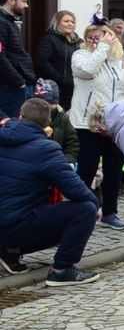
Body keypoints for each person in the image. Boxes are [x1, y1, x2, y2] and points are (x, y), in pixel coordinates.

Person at [0, 98, 100, 285]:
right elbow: (74, 189)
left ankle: (7, 252)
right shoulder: (46, 149)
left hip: (6, 221)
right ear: (48, 125)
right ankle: (62, 270)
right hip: (15, 226)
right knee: (85, 209)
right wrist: (96, 206)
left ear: (20, 116)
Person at [70, 23, 124, 230]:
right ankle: (81, 211)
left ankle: (110, 212)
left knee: (113, 170)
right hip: (88, 123)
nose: (99, 41)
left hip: (116, 125)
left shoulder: (118, 62)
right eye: (94, 37)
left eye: (104, 37)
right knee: (87, 169)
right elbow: (87, 71)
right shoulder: (80, 56)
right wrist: (101, 48)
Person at [0, 0, 36, 117]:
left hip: (17, 87)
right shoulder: (2, 23)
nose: (26, 6)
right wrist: (18, 82)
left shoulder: (9, 23)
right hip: (10, 89)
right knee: (12, 128)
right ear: (11, 1)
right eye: (24, 1)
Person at [34, 10, 81, 110]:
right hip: (55, 89)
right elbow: (42, 61)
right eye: (66, 21)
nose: (70, 24)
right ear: (57, 22)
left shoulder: (79, 42)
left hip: (75, 88)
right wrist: (59, 78)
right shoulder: (50, 39)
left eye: (72, 22)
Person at [33, 79, 78, 165]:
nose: (46, 106)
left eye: (49, 102)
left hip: (57, 161)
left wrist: (69, 161)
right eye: (41, 102)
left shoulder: (62, 119)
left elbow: (72, 143)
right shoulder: (29, 118)